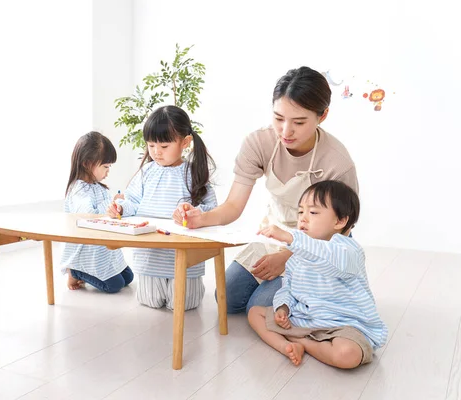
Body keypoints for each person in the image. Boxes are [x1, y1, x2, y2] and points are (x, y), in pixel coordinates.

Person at [173, 66, 359, 315]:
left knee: (259, 307)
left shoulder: (337, 162)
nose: (285, 131)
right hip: (275, 236)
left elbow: (340, 232)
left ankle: (327, 292)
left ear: (322, 116)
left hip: (319, 247)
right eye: (279, 118)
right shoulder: (260, 142)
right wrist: (200, 218)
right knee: (227, 298)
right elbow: (233, 206)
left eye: (299, 122)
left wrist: (289, 257)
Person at [248, 180, 387, 368]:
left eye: (313, 212)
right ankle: (287, 346)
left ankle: (303, 343)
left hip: (343, 325)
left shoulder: (348, 251)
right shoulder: (297, 255)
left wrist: (291, 238)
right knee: (255, 313)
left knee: (347, 355)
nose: (303, 219)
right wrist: (283, 308)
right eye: (300, 212)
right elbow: (288, 287)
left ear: (340, 221)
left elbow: (329, 260)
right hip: (307, 319)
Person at [108, 105, 217, 310]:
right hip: (151, 256)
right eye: (151, 145)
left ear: (185, 142)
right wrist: (120, 208)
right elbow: (131, 201)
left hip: (184, 257)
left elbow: (211, 208)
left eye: (164, 146)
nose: (156, 152)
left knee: (183, 304)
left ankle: (190, 287)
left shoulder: (194, 173)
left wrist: (195, 212)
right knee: (151, 301)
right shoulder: (146, 172)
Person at [60, 131, 133, 293]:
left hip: (103, 248)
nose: (108, 171)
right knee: (114, 286)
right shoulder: (78, 189)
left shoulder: (98, 187)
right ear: (87, 163)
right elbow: (87, 216)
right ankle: (76, 271)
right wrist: (110, 206)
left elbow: (107, 210)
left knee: (128, 278)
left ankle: (90, 271)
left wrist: (116, 204)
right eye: (105, 166)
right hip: (88, 249)